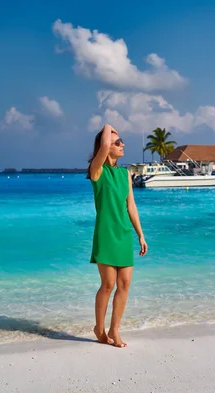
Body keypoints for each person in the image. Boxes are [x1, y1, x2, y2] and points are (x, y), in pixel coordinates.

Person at [87, 124, 148, 347]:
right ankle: (99, 328)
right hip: (105, 233)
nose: (122, 144)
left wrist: (140, 235)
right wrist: (108, 127)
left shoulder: (125, 174)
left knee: (124, 284)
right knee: (108, 284)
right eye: (117, 142)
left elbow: (131, 206)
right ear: (105, 147)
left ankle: (115, 330)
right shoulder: (97, 170)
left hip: (123, 233)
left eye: (121, 141)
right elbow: (103, 144)